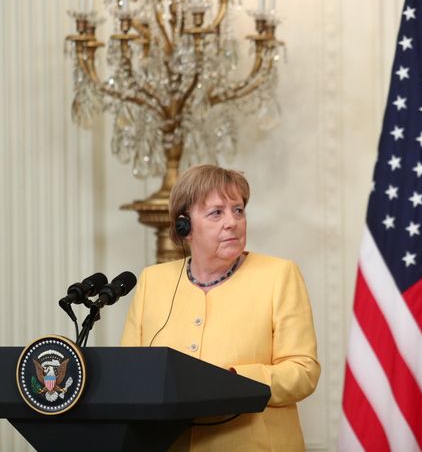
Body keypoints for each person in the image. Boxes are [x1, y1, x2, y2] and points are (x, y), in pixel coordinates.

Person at [121, 164, 320, 451]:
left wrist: (236, 382)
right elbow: (131, 372)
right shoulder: (154, 281)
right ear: (184, 227)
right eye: (217, 213)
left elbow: (304, 371)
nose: (232, 222)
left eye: (238, 210)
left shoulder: (278, 275)